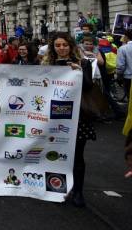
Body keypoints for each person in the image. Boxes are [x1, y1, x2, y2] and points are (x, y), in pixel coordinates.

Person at [42, 32, 95, 207]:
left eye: (65, 45)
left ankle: (78, 191)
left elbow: (88, 86)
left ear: (71, 46)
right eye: (58, 45)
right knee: (54, 155)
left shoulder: (83, 63)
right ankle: (59, 189)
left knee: (77, 156)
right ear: (53, 48)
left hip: (78, 117)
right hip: (53, 117)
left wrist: (79, 71)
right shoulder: (46, 64)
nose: (62, 48)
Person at [117, 29, 132, 104]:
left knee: (130, 97)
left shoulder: (122, 48)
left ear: (126, 37)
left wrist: (119, 76)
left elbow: (121, 66)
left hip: (128, 77)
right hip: (128, 76)